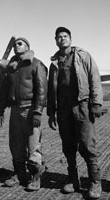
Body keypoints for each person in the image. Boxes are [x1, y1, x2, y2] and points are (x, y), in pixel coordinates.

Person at [47, 27, 103, 198]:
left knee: (87, 145)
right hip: (63, 109)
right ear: (56, 41)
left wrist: (97, 103)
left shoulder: (83, 56)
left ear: (70, 39)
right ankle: (73, 180)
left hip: (82, 106)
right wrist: (51, 112)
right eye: (59, 37)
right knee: (68, 146)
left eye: (65, 36)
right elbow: (51, 90)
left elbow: (94, 78)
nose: (62, 39)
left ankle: (95, 182)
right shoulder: (54, 63)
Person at [0, 37, 48, 191]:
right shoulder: (11, 67)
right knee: (16, 144)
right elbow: (4, 88)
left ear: (27, 47)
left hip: (31, 109)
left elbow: (42, 89)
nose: (16, 46)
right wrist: (0, 108)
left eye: (20, 44)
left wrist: (38, 111)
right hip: (14, 110)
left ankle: (35, 176)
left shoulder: (36, 64)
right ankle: (20, 174)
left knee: (33, 145)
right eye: (14, 45)